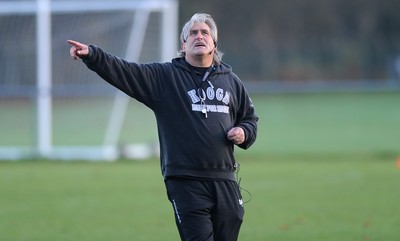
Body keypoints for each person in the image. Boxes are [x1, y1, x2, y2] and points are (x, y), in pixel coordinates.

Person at [68, 13, 258, 241]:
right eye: (193, 33)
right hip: (186, 180)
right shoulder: (165, 77)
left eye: (205, 33)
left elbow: (249, 119)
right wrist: (93, 55)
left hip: (225, 178)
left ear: (214, 43)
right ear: (183, 44)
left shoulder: (231, 81)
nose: (199, 36)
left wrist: (244, 131)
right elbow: (125, 71)